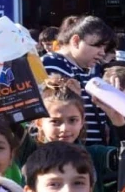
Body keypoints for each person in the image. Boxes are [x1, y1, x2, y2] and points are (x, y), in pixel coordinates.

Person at [42, 16, 114, 145]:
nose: (102, 53)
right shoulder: (53, 63)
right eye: (97, 46)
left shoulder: (87, 69)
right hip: (66, 153)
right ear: (75, 41)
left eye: (104, 47)